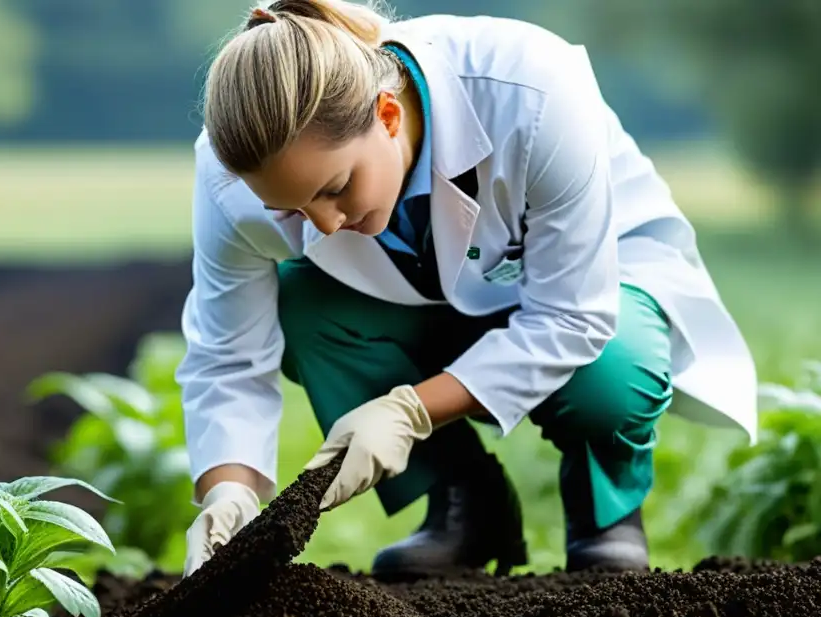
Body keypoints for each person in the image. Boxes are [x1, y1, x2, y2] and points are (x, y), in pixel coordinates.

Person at [176, 0, 758, 579]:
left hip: (598, 286)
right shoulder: (231, 176)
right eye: (292, 210)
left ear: (387, 116)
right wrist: (229, 492)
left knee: (611, 374)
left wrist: (409, 412)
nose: (324, 224)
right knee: (304, 302)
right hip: (421, 298)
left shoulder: (531, 90)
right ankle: (462, 505)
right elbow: (228, 355)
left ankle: (604, 519)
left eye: (336, 187)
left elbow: (572, 317)